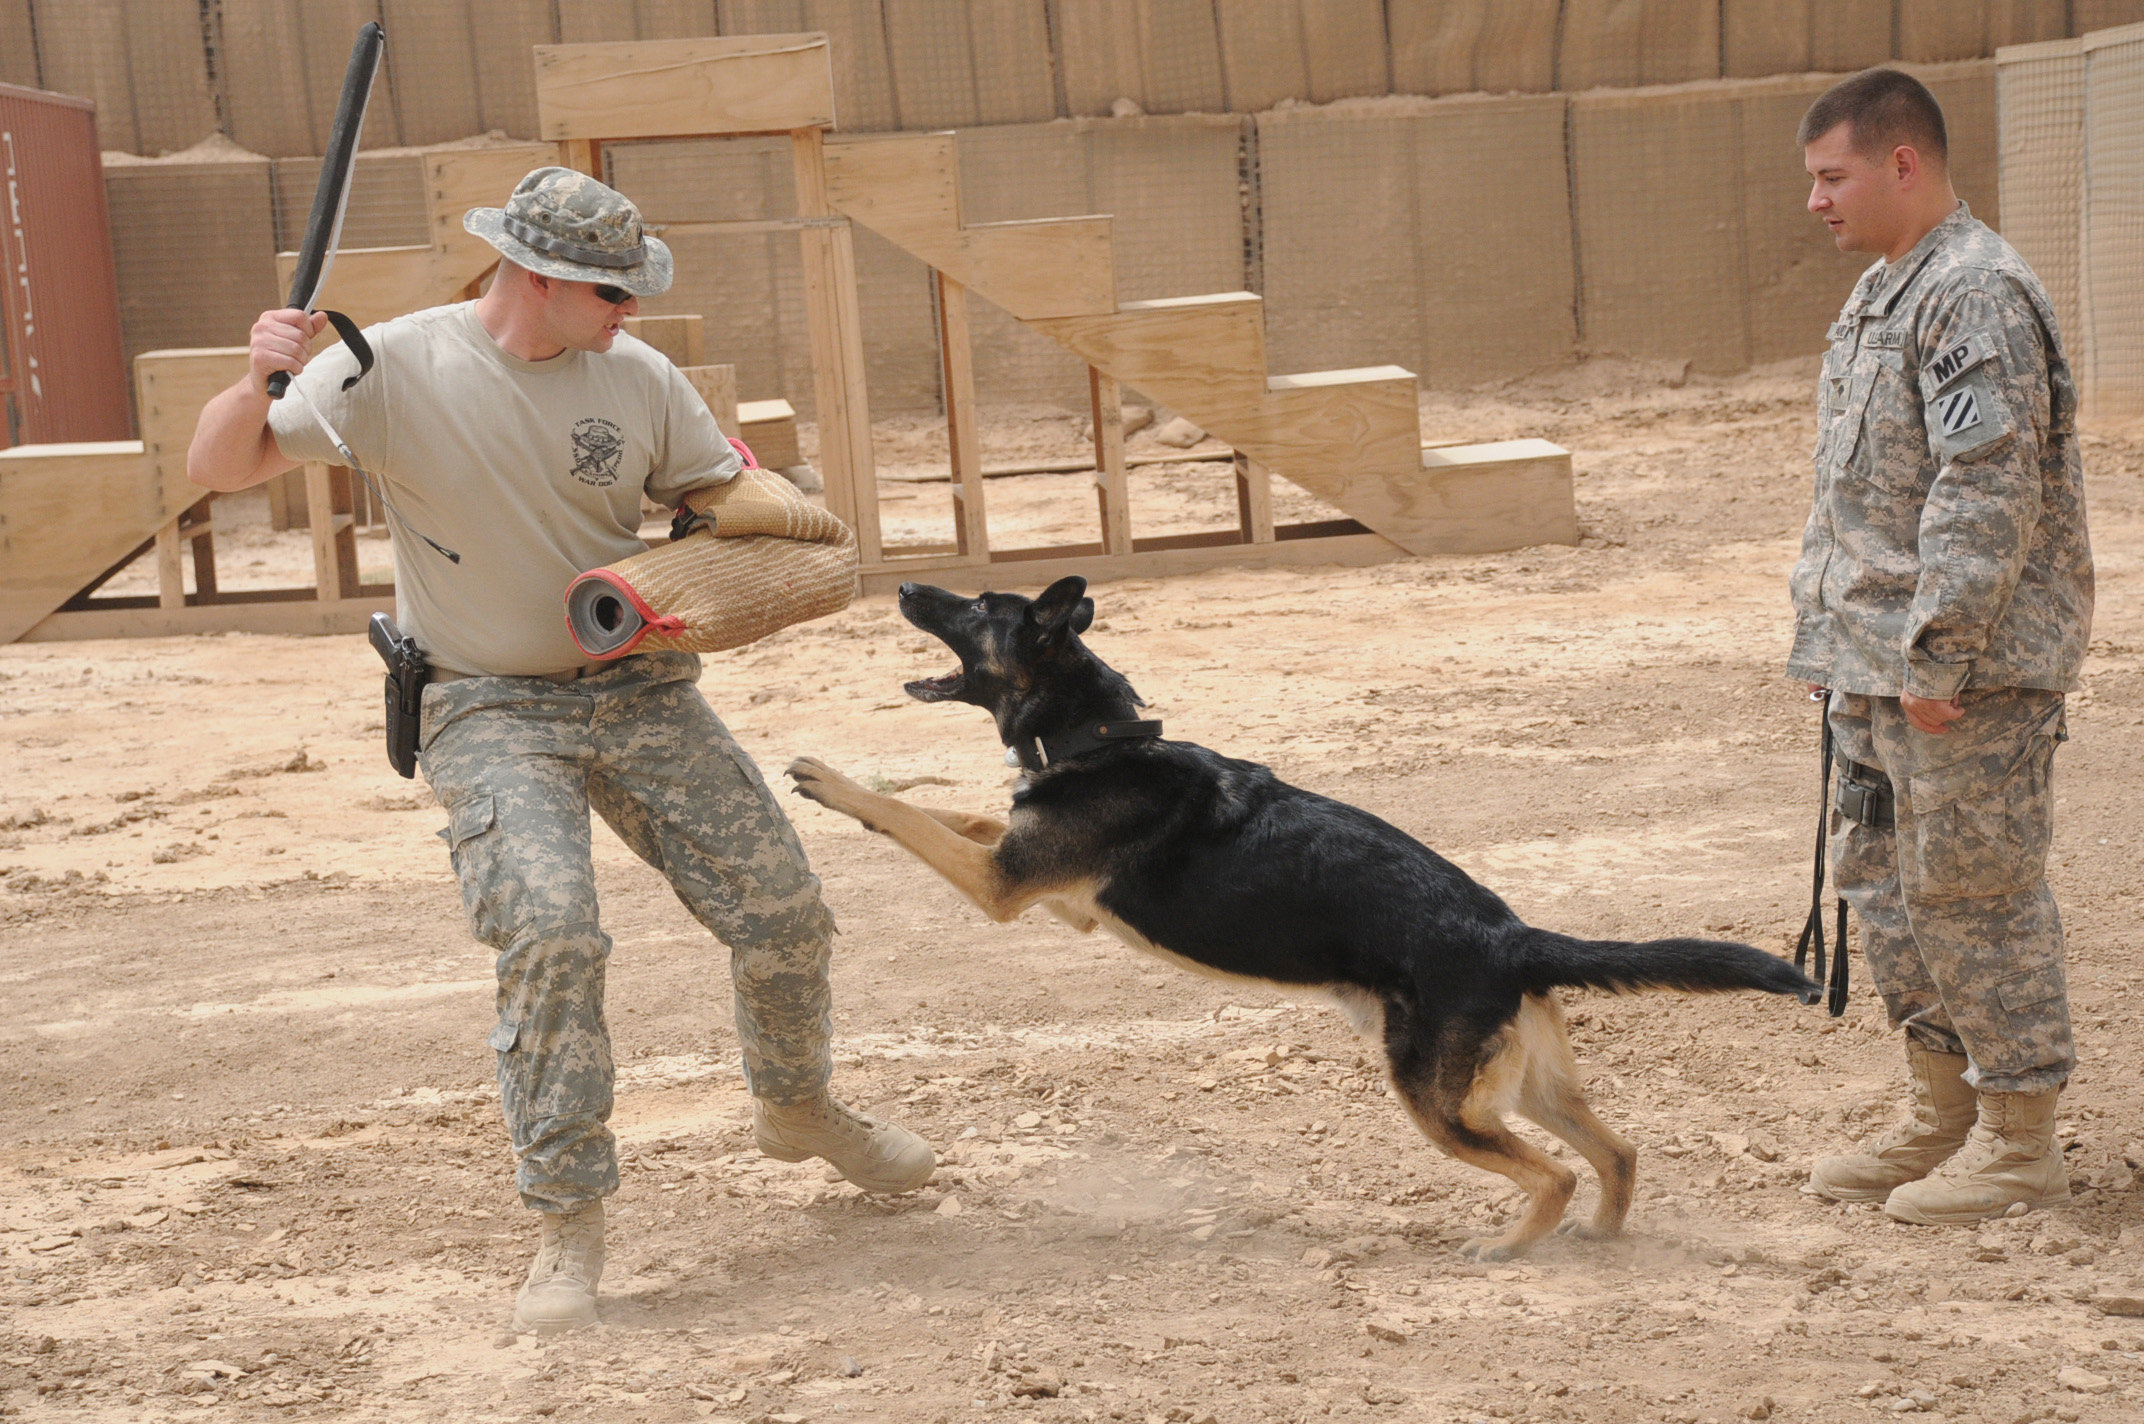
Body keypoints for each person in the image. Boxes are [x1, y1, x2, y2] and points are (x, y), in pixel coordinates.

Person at [187, 167, 934, 1329]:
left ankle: (796, 1106)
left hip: (635, 684)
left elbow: (715, 491)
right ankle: (567, 1222)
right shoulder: (390, 368)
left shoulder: (636, 378)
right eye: (609, 293)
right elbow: (221, 468)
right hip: (485, 704)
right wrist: (255, 377)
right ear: (533, 276)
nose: (628, 313)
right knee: (551, 934)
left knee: (782, 908)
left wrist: (748, 517)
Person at [1789, 70, 2092, 1225]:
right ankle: (1943, 1113)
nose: (1815, 200)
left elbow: (1984, 485)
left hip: (1963, 674)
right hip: (1873, 665)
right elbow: (1855, 491)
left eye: (1831, 176)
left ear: (1899, 163)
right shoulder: (1883, 291)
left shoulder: (1970, 292)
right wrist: (1828, 637)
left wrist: (1939, 652)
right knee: (1887, 892)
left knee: (1972, 891)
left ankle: (2019, 1137)